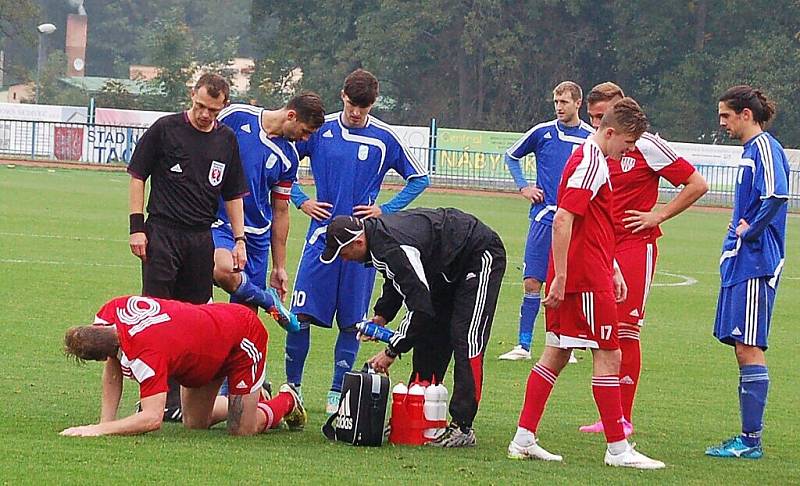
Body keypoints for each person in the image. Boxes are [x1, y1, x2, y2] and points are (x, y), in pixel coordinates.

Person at [508, 98, 665, 469]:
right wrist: (562, 277)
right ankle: (618, 450)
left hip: (589, 269)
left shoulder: (590, 159)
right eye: (627, 144)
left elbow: (592, 222)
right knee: (610, 354)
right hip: (582, 278)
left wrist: (612, 265)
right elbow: (564, 219)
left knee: (556, 354)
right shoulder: (592, 162)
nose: (627, 152)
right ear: (609, 133)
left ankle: (523, 438)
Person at [287, 68, 430, 414]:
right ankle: (293, 388)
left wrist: (385, 209)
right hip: (321, 239)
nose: (356, 113)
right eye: (352, 106)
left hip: (363, 246)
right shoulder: (321, 130)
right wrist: (301, 198)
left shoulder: (385, 138)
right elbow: (283, 164)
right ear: (342, 97)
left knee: (353, 321)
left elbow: (419, 178)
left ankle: (338, 392)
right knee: (299, 315)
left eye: (363, 109)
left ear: (373, 104)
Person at [578, 82, 709, 436]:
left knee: (625, 328)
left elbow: (697, 183)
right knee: (603, 329)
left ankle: (623, 417)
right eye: (592, 118)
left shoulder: (647, 145)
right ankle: (609, 413)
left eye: (599, 115)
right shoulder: (597, 146)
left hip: (635, 246)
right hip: (603, 248)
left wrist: (658, 216)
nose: (595, 123)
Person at [321, 208, 506, 447]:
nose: (344, 259)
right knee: (429, 337)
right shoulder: (377, 241)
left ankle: (462, 426)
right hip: (443, 269)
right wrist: (382, 315)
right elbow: (396, 276)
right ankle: (416, 416)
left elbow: (420, 307)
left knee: (466, 338)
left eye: (343, 253)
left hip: (477, 254)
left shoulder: (391, 245)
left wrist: (392, 351)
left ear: (358, 242)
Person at [127, 73, 249, 421]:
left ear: (222, 107)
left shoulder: (226, 140)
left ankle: (183, 399)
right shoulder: (165, 129)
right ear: (191, 97)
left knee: (196, 318)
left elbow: (233, 195)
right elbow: (137, 175)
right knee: (155, 316)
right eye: (200, 106)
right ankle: (153, 397)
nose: (204, 114)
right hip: (162, 232)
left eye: (212, 109)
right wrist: (137, 228)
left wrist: (239, 239)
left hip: (201, 238)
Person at [60, 296, 307, 437]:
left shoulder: (147, 354)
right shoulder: (111, 312)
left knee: (243, 430)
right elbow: (113, 368)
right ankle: (253, 399)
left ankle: (286, 400)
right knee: (195, 423)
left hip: (242, 336)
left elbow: (151, 418)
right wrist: (105, 421)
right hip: (205, 348)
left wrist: (99, 431)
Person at [705, 86, 789, 459]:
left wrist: (749, 230)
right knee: (741, 345)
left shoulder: (766, 149)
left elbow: (777, 195)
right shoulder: (749, 153)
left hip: (757, 262)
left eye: (726, 115)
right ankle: (747, 437)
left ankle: (751, 440)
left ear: (745, 115)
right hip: (741, 260)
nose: (722, 122)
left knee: (749, 345)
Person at [212, 93, 326, 332]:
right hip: (221, 223)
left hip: (258, 237)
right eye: (305, 131)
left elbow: (281, 210)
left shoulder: (290, 157)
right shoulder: (236, 117)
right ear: (291, 115)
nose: (305, 138)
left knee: (243, 323)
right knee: (223, 270)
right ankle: (266, 300)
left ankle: (237, 368)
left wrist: (279, 267)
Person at [498, 81, 594, 361]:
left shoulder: (591, 137)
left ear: (578, 103)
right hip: (543, 218)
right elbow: (511, 156)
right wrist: (524, 187)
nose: (559, 107)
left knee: (567, 283)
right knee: (532, 281)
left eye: (564, 102)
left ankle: (567, 343)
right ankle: (523, 346)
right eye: (556, 102)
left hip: (575, 221)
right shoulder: (542, 132)